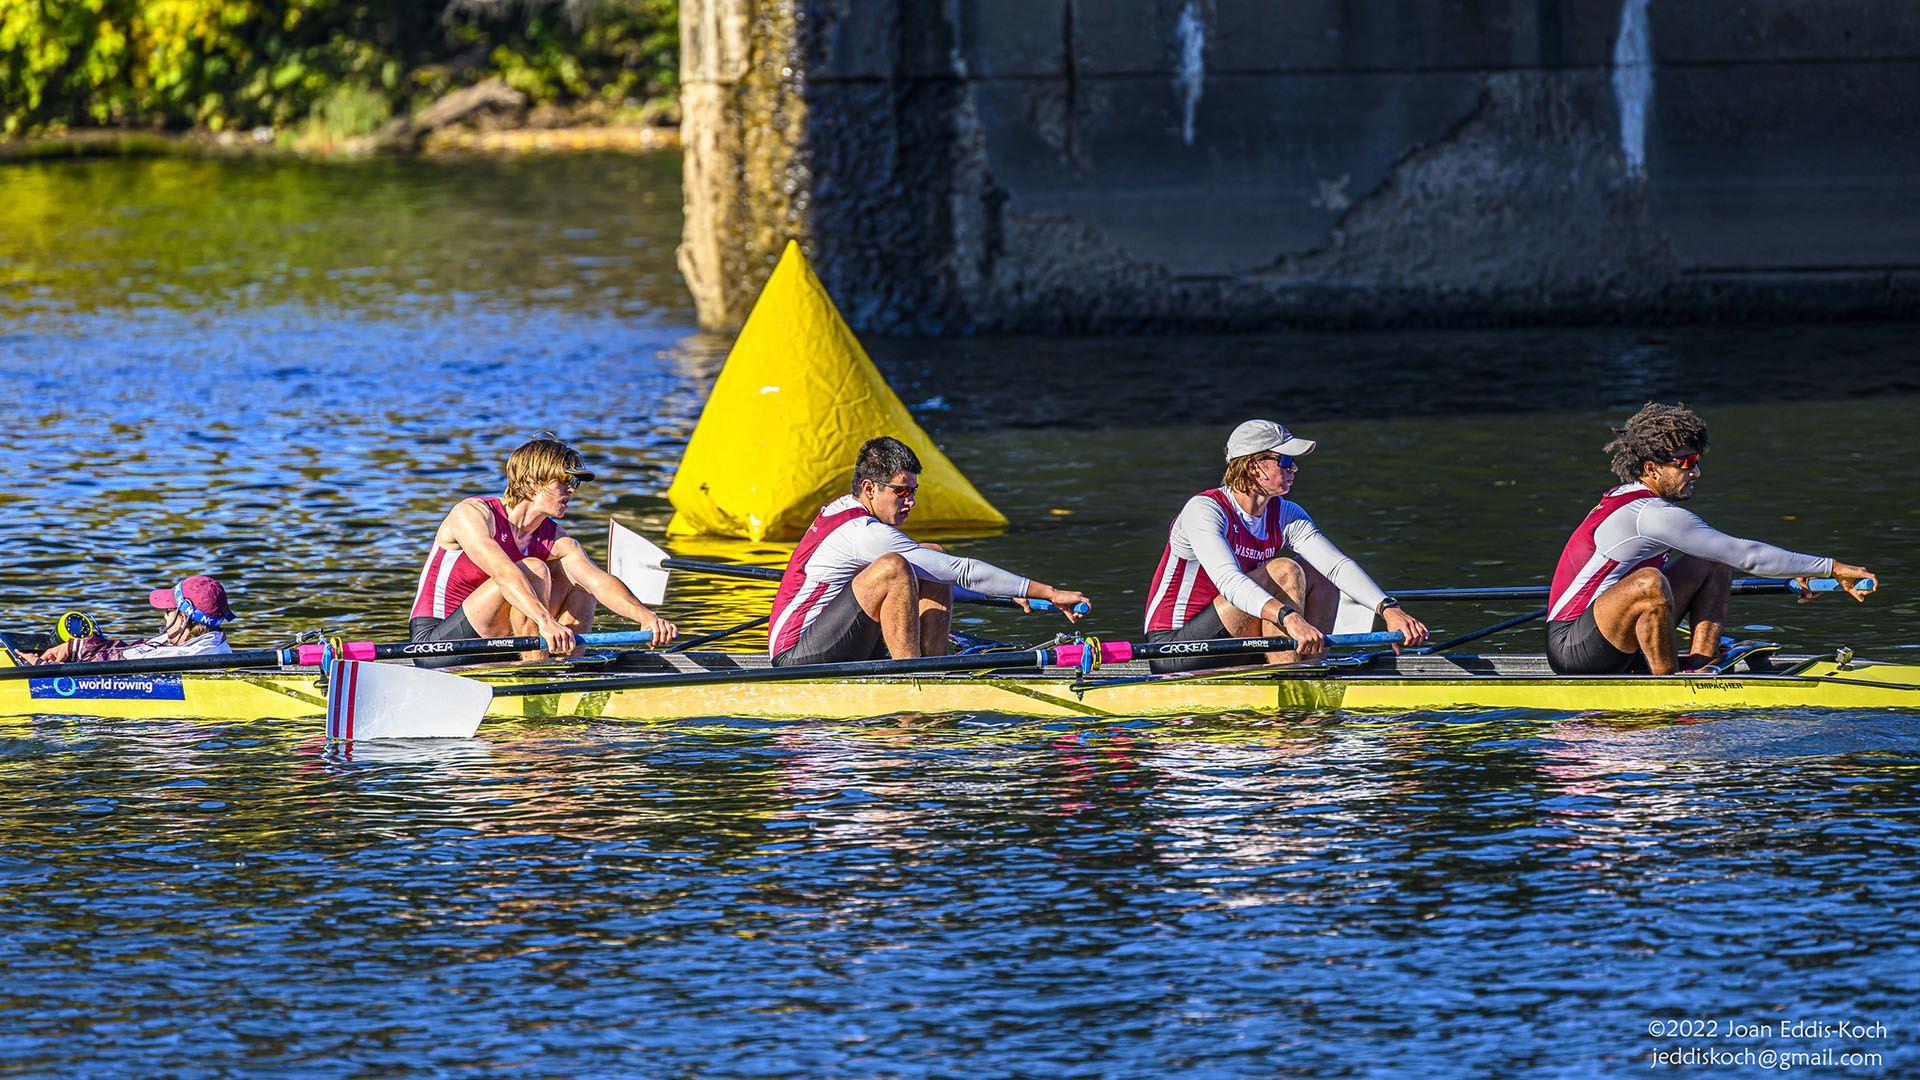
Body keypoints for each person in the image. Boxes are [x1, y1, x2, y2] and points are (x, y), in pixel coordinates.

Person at [1546, 402, 1875, 675]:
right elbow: (1747, 555)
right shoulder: (1647, 513)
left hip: (1617, 631)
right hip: (1574, 649)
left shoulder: (1638, 501)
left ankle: (1702, 665)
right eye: (1685, 463)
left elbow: (1729, 553)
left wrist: (1803, 569)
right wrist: (1831, 568)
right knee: (1649, 583)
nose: (1696, 473)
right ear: (1650, 468)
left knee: (1713, 563)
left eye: (1697, 462)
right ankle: (1668, 685)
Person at [768, 436, 1091, 666]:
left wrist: (1006, 593)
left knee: (930, 555)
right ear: (870, 488)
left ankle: (932, 665)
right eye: (902, 491)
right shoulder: (861, 533)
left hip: (840, 637)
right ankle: (914, 677)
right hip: (798, 652)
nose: (910, 501)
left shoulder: (849, 511)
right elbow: (962, 572)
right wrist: (1049, 592)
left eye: (914, 491)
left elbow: (942, 575)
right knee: (896, 567)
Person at [1144, 419, 1429, 672]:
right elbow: (1230, 581)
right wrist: (1288, 617)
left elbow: (1336, 565)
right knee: (1284, 570)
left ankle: (1310, 669)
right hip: (1176, 648)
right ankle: (1291, 681)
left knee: (1317, 571)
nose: (1294, 467)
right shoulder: (1204, 510)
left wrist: (1389, 610)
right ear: (1253, 465)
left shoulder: (1285, 512)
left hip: (1237, 633)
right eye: (1284, 460)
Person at [409, 435, 676, 667]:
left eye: (576, 482)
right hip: (437, 645)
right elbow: (504, 574)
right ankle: (536, 668)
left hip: (495, 641)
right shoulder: (472, 514)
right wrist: (545, 620)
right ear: (532, 481)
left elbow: (598, 582)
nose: (572, 489)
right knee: (533, 568)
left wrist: (646, 617)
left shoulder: (556, 538)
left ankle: (567, 668)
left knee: (579, 582)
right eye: (564, 480)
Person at [22, 575, 236, 664]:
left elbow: (110, 668)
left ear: (183, 619)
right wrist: (74, 648)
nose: (164, 614)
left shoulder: (173, 655)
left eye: (169, 610)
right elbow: (130, 651)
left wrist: (37, 666)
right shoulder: (212, 644)